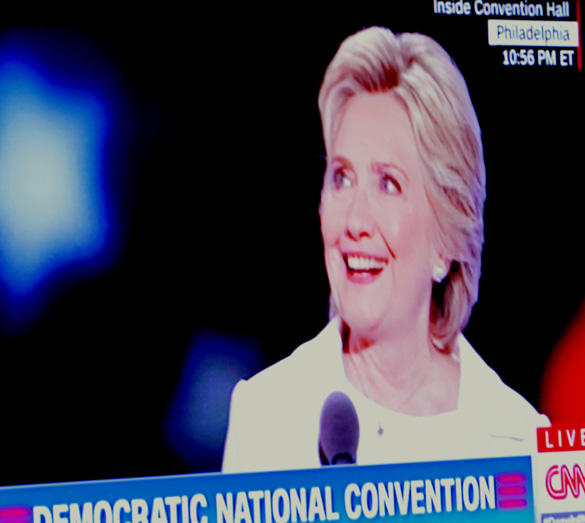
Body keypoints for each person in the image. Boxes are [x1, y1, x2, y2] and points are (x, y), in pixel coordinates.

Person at [222, 26, 548, 473]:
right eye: (341, 177)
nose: (355, 222)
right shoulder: (266, 415)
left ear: (447, 237)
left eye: (388, 184)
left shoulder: (519, 442)